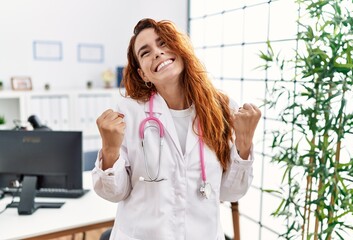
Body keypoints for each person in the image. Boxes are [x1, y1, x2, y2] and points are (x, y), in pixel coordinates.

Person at [92, 18, 261, 240]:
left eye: (163, 43)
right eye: (145, 52)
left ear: (180, 49)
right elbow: (114, 193)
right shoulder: (129, 112)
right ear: (143, 74)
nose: (157, 53)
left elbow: (231, 192)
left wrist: (244, 142)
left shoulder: (221, 108)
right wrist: (110, 150)